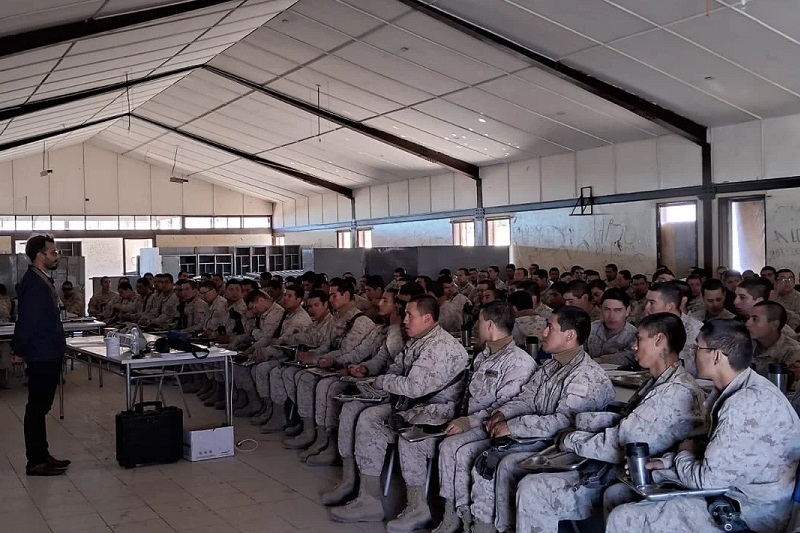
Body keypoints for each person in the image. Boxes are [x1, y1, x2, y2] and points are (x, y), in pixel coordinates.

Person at [515, 312, 706, 533]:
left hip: (634, 476)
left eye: (639, 339)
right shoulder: (658, 383)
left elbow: (620, 442)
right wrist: (584, 423)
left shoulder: (675, 391)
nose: (634, 346)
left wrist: (570, 439)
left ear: (659, 340)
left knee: (533, 488)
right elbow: (625, 420)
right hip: (617, 471)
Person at [606, 319, 800, 533]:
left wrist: (682, 456)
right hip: (728, 489)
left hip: (748, 511)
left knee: (624, 518)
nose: (692, 354)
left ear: (716, 355)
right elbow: (716, 453)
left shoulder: (745, 403)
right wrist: (665, 463)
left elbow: (708, 479)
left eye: (697, 348)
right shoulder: (732, 390)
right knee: (618, 494)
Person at [467, 306, 615, 533]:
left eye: (550, 327)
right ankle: (496, 527)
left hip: (570, 452)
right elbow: (527, 399)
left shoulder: (587, 376)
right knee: (491, 459)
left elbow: (564, 422)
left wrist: (513, 426)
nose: (544, 333)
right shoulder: (551, 366)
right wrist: (503, 413)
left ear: (569, 335)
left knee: (502, 462)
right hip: (544, 441)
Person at [328, 295, 469, 524]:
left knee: (371, 419)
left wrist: (382, 382)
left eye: (409, 315)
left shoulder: (440, 346)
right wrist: (368, 372)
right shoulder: (417, 341)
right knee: (357, 410)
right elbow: (396, 369)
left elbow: (413, 387)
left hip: (438, 411)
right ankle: (363, 492)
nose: (404, 320)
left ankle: (416, 506)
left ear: (427, 318)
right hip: (413, 404)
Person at [431, 302, 537, 533]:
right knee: (447, 443)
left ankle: (468, 519)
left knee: (454, 446)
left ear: (489, 325)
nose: (477, 327)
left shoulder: (518, 362)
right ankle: (452, 515)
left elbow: (508, 408)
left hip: (493, 427)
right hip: (473, 420)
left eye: (479, 322)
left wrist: (468, 422)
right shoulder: (484, 356)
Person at [13, 234, 71, 476]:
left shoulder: (42, 280)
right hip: (42, 353)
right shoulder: (34, 284)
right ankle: (35, 460)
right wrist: (19, 350)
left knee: (41, 407)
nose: (56, 256)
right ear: (40, 255)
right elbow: (28, 322)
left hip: (49, 350)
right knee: (36, 408)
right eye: (53, 252)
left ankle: (42, 453)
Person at [644, 281, 702, 377]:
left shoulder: (697, 331)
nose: (646, 308)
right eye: (647, 302)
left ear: (670, 306)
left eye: (652, 303)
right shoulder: (649, 327)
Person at [745, 300, 800, 385]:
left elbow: (790, 391)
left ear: (774, 325)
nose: (748, 323)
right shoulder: (745, 344)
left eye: (755, 319)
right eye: (749, 318)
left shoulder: (792, 352)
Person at [584, 288, 638, 366]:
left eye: (618, 310)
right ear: (601, 310)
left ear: (627, 311)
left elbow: (630, 357)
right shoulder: (591, 329)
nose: (611, 316)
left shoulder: (634, 335)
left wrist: (599, 360)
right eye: (607, 310)